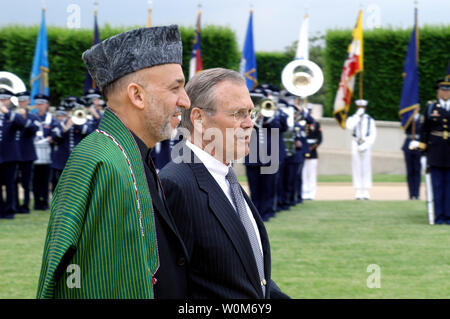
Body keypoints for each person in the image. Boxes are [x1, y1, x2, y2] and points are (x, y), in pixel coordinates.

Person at [37, 25, 191, 299]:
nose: (186, 101)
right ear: (137, 95)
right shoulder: (99, 160)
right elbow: (65, 274)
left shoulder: (130, 153)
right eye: (175, 88)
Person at [159, 68, 289, 299]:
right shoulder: (175, 184)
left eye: (251, 113)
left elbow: (250, 277)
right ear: (198, 119)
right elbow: (170, 289)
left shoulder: (225, 177)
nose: (250, 124)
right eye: (238, 114)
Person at [412, 77, 450, 224]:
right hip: (435, 151)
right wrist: (423, 150)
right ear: (438, 92)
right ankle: (439, 216)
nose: (445, 93)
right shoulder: (430, 108)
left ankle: (448, 216)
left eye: (448, 91)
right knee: (437, 185)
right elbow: (424, 131)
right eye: (443, 90)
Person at [0, 88, 26, 219]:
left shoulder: (14, 115)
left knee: (10, 184)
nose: (2, 101)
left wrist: (5, 112)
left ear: (9, 100)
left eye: (4, 98)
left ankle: (10, 210)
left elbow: (22, 124)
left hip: (10, 155)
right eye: (0, 99)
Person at [345, 99, 377, 200]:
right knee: (357, 167)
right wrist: (357, 117)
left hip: (366, 144)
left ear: (365, 108)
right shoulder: (353, 118)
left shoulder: (370, 120)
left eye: (362, 108)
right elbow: (348, 126)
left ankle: (366, 190)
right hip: (355, 143)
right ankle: (358, 190)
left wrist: (366, 145)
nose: (360, 109)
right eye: (359, 107)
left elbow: (373, 134)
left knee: (366, 167)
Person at [14, 91, 39, 214]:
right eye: (19, 101)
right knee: (13, 181)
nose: (21, 103)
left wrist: (24, 119)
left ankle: (26, 205)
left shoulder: (33, 117)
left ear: (28, 101)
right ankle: (14, 205)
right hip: (14, 153)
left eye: (24, 101)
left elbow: (34, 130)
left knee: (26, 181)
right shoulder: (12, 115)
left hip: (27, 153)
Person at [32, 94, 57, 211]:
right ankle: (37, 202)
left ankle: (45, 202)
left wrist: (49, 138)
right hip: (34, 152)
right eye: (38, 103)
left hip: (47, 153)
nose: (39, 106)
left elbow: (57, 131)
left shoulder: (51, 118)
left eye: (42, 103)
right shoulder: (32, 116)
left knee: (46, 179)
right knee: (35, 179)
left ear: (47, 104)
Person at [401, 108, 422, 200]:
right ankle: (411, 194)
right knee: (410, 171)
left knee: (417, 170)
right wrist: (410, 119)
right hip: (408, 143)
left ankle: (417, 194)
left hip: (418, 144)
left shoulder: (422, 119)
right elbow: (404, 127)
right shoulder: (407, 118)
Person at [302, 113, 322, 201]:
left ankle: (311, 193)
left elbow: (320, 138)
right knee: (303, 173)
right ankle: (304, 192)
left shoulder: (316, 123)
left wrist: (311, 148)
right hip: (302, 151)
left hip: (312, 151)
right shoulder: (301, 122)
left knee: (311, 174)